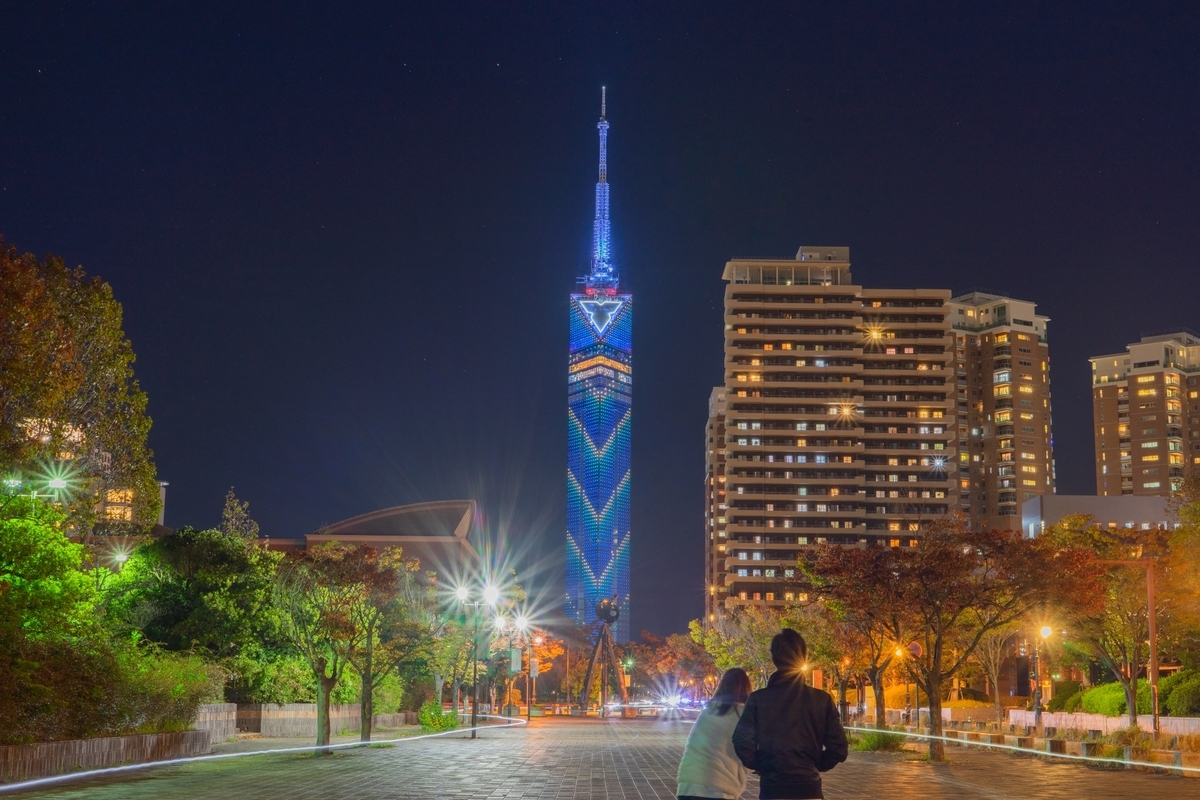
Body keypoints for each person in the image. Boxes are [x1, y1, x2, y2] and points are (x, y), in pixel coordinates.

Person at [732, 629, 848, 800]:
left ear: (774, 658)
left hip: (773, 787)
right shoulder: (821, 700)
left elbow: (742, 742)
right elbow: (839, 748)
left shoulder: (758, 699)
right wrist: (814, 764)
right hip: (809, 787)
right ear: (803, 656)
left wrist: (763, 765)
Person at [676, 668, 752, 800]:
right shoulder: (744, 716)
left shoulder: (708, 712)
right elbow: (750, 750)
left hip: (688, 786)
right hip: (719, 788)